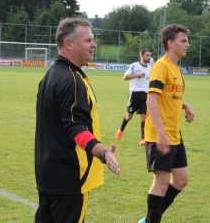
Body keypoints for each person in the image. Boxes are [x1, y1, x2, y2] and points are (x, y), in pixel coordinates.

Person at [34, 17, 121, 223]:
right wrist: (103, 152)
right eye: (88, 40)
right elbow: (75, 128)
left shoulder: (51, 75)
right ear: (68, 44)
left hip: (48, 174)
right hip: (69, 177)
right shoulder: (71, 80)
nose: (94, 44)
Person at [139, 24, 195, 223]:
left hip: (174, 134)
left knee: (181, 180)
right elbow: (151, 100)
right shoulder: (161, 66)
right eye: (183, 40)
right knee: (161, 183)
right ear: (170, 43)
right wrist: (161, 134)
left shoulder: (176, 68)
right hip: (159, 135)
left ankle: (149, 218)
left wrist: (185, 105)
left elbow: (167, 96)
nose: (187, 44)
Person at [116, 49, 152, 146]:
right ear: (142, 56)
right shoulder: (134, 66)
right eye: (147, 55)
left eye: (150, 55)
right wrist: (137, 75)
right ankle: (121, 129)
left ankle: (143, 138)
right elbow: (125, 77)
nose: (149, 57)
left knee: (144, 116)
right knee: (129, 116)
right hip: (134, 94)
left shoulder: (150, 68)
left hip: (145, 94)